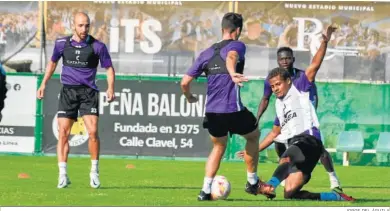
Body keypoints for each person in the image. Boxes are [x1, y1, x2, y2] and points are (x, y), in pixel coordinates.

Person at [255, 26, 355, 201]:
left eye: (278, 84)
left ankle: (270, 185)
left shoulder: (300, 86)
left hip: (308, 140)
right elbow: (274, 133)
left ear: (288, 81)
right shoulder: (279, 105)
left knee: (285, 159)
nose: (275, 89)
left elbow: (315, 63)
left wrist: (324, 42)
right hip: (300, 148)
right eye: (272, 86)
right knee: (290, 194)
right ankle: (335, 198)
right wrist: (254, 151)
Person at [180, 12, 261, 201]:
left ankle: (205, 190)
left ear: (223, 29)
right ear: (238, 30)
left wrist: (189, 96)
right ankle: (252, 181)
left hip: (212, 112)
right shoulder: (237, 45)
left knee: (218, 147)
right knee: (253, 135)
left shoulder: (206, 53)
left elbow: (184, 82)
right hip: (232, 109)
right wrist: (232, 73)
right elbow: (231, 56)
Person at [36, 12, 115, 189]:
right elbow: (52, 63)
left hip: (89, 93)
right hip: (68, 92)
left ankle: (94, 172)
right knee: (63, 133)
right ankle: (62, 175)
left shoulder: (97, 46)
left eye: (87, 25)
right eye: (81, 25)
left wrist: (111, 88)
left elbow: (109, 68)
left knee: (93, 132)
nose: (84, 29)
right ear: (73, 26)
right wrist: (43, 84)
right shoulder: (61, 44)